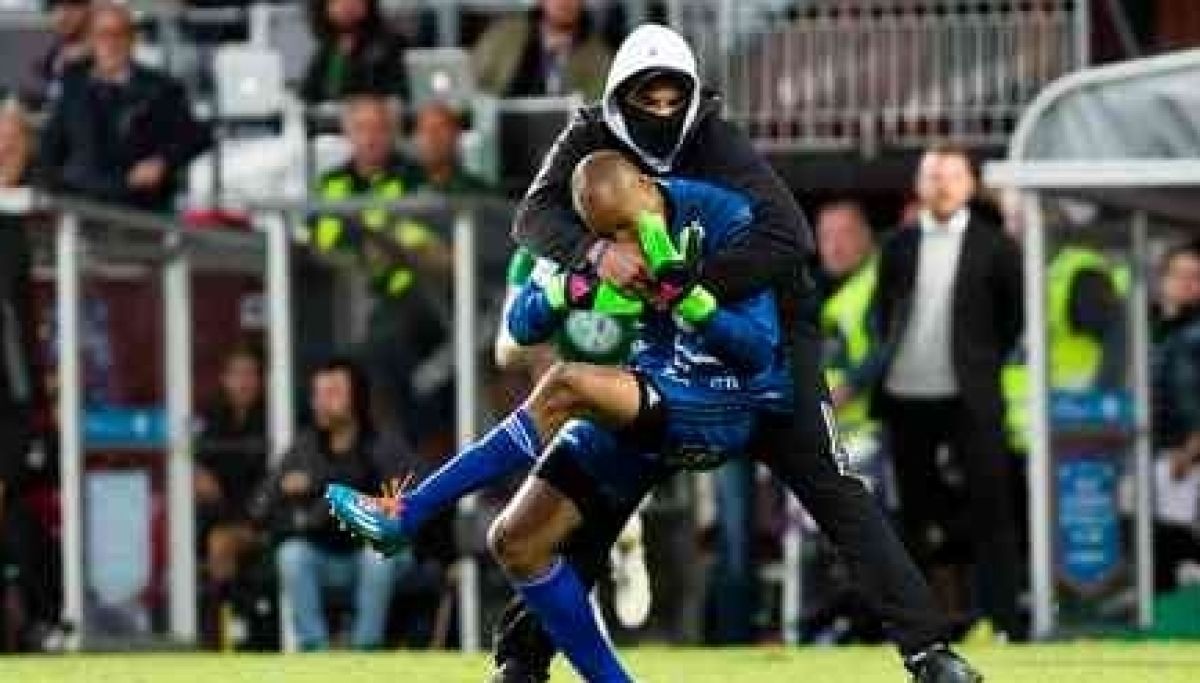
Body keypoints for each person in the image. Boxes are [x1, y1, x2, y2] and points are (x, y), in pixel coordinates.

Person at [505, 24, 978, 683]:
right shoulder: (589, 137)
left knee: (833, 485)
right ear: (617, 99)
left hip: (768, 335)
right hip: (672, 342)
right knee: (604, 492)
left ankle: (929, 652)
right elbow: (532, 218)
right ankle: (523, 658)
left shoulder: (718, 141)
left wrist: (687, 288)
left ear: (693, 96)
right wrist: (596, 253)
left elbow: (789, 238)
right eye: (648, 99)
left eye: (674, 98)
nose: (663, 112)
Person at [330, 150, 795, 682]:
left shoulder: (720, 217)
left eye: (627, 226)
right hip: (634, 400)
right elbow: (518, 329)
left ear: (648, 187)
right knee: (515, 541)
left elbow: (759, 353)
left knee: (566, 384)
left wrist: (691, 300)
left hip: (719, 402)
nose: (622, 242)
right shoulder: (586, 249)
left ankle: (409, 515)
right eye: (607, 235)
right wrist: (573, 286)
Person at [861, 143, 1024, 641]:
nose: (943, 186)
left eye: (952, 176)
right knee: (912, 516)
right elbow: (881, 315)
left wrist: (977, 365)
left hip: (971, 396)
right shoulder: (897, 245)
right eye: (933, 176)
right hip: (906, 394)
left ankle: (1004, 622)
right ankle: (918, 627)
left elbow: (1012, 320)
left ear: (970, 185)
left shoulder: (997, 247)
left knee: (993, 509)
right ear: (918, 185)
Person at [312, 95, 451, 446]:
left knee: (384, 349)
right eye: (362, 128)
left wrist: (378, 241)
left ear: (392, 133)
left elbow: (420, 242)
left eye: (379, 128)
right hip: (340, 296)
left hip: (412, 294)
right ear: (347, 133)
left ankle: (400, 448)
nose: (370, 137)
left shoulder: (414, 177)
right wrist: (367, 243)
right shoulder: (331, 182)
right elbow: (321, 241)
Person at [253, 358, 413, 651]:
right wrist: (285, 493)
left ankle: (366, 649)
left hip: (378, 554)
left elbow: (406, 504)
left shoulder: (383, 446)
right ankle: (315, 649)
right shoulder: (304, 449)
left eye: (333, 393)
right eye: (318, 394)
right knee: (292, 555)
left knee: (376, 556)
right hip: (324, 556)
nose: (322, 402)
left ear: (356, 397)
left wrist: (317, 485)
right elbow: (261, 506)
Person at [35, 2, 211, 213]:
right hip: (82, 201)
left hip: (139, 205)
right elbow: (51, 146)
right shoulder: (73, 86)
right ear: (91, 40)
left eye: (119, 34)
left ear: (133, 39)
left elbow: (195, 136)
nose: (111, 43)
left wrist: (163, 161)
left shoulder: (161, 89)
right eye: (103, 35)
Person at [194, 344, 269, 648]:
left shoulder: (274, 418)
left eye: (250, 374)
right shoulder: (213, 420)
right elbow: (193, 462)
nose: (243, 382)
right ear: (224, 380)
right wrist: (197, 474)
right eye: (236, 375)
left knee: (220, 543)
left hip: (261, 523)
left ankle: (227, 634)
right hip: (217, 517)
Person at [1150, 242, 1200, 591]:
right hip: (1156, 453)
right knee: (1163, 546)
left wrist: (1190, 451)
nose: (1187, 284)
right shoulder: (1154, 329)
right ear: (1162, 280)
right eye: (1179, 275)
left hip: (1185, 457)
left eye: (1195, 277)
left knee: (1176, 545)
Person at [473, 0, 611, 100]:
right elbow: (472, 85)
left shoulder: (598, 57)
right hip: (501, 127)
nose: (564, 2)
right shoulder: (503, 37)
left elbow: (597, 107)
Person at [301, 0, 408, 105]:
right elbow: (308, 94)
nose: (347, 4)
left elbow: (396, 93)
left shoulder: (389, 44)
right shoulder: (326, 50)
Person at [411, 101, 491, 195]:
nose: (432, 138)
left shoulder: (480, 192)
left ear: (456, 135)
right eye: (425, 130)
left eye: (440, 129)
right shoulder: (408, 185)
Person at [25, 0, 92, 106]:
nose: (62, 16)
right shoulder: (55, 49)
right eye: (55, 9)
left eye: (70, 8)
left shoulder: (99, 54)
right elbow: (38, 86)